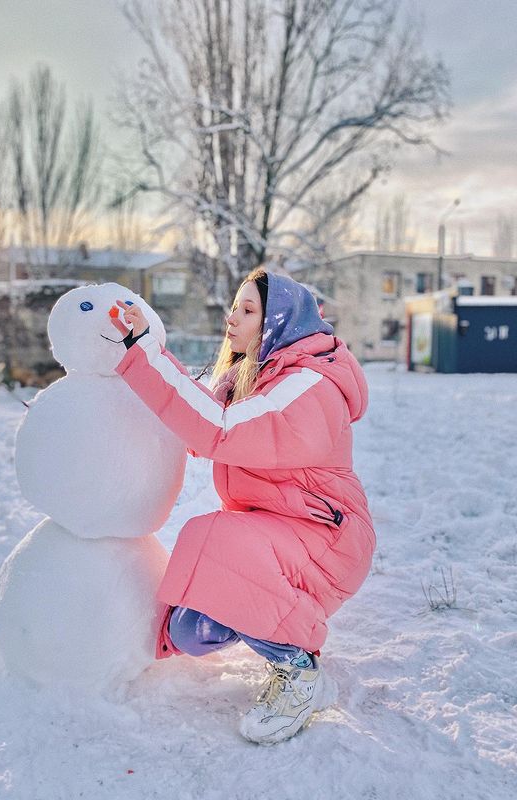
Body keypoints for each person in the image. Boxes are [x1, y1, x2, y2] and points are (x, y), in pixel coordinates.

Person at [112, 268, 376, 745]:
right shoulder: (249, 379)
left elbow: (218, 430)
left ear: (280, 322)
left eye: (248, 310)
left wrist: (145, 354)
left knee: (212, 537)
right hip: (280, 538)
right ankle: (276, 626)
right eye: (235, 307)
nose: (232, 318)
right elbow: (193, 425)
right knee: (191, 629)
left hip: (328, 541)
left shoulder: (310, 386)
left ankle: (298, 668)